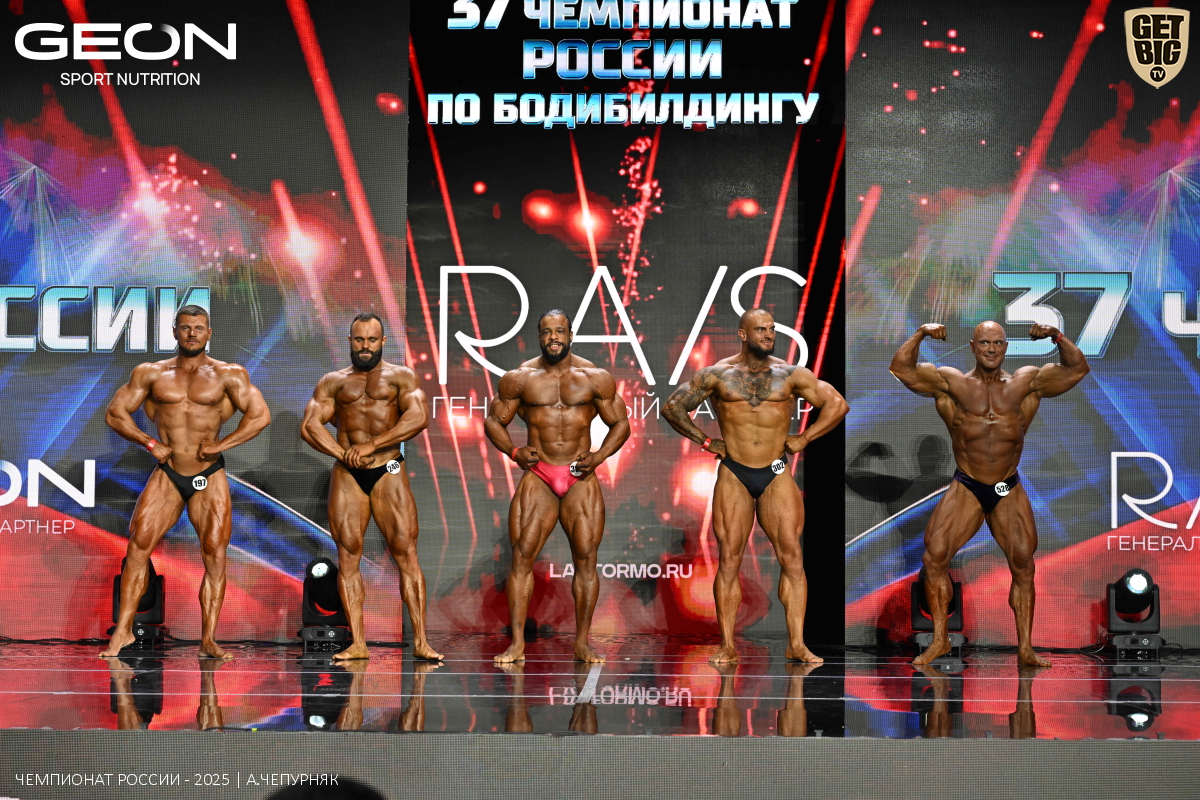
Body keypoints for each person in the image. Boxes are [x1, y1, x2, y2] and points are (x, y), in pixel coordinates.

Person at [889, 321, 1089, 666]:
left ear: (1006, 347)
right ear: (972, 346)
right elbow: (901, 368)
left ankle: (1025, 648)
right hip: (968, 483)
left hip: (1005, 486)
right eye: (984, 343)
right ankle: (940, 639)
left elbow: (1077, 369)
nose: (991, 349)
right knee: (934, 559)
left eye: (997, 343)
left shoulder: (1027, 382)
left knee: (1023, 564)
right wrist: (921, 333)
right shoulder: (952, 382)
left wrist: (1056, 335)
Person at [662, 308, 848, 665]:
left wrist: (804, 438)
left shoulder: (790, 374)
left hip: (775, 471)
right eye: (761, 329)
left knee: (792, 557)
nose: (769, 334)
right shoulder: (718, 374)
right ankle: (727, 645)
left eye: (772, 329)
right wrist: (706, 441)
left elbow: (837, 405)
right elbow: (673, 408)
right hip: (734, 472)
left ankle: (797, 644)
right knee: (729, 559)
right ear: (743, 334)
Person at [100, 306, 270, 658]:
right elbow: (115, 413)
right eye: (186, 327)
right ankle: (124, 632)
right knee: (138, 546)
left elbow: (259, 416)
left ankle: (208, 639)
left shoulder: (229, 374)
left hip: (209, 473)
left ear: (209, 333)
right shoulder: (151, 373)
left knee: (214, 553)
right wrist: (149, 443)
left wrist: (221, 445)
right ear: (175, 331)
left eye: (199, 328)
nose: (193, 333)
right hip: (168, 472)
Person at [485, 310, 630, 663]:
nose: (554, 337)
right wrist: (514, 451)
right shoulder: (520, 378)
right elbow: (493, 421)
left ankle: (582, 643)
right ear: (539, 336)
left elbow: (621, 423)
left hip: (580, 475)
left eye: (560, 331)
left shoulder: (594, 377)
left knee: (586, 557)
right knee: (522, 556)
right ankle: (517, 644)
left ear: (570, 334)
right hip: (539, 473)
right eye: (547, 332)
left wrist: (599, 457)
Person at [300, 312, 441, 661]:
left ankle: (421, 641)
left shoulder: (401, 377)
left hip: (388, 467)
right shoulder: (333, 382)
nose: (366, 346)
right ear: (350, 341)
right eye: (359, 340)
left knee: (406, 552)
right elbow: (310, 425)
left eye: (372, 340)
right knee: (348, 555)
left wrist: (372, 445)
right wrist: (343, 454)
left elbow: (418, 417)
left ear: (383, 342)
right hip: (348, 473)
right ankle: (358, 644)